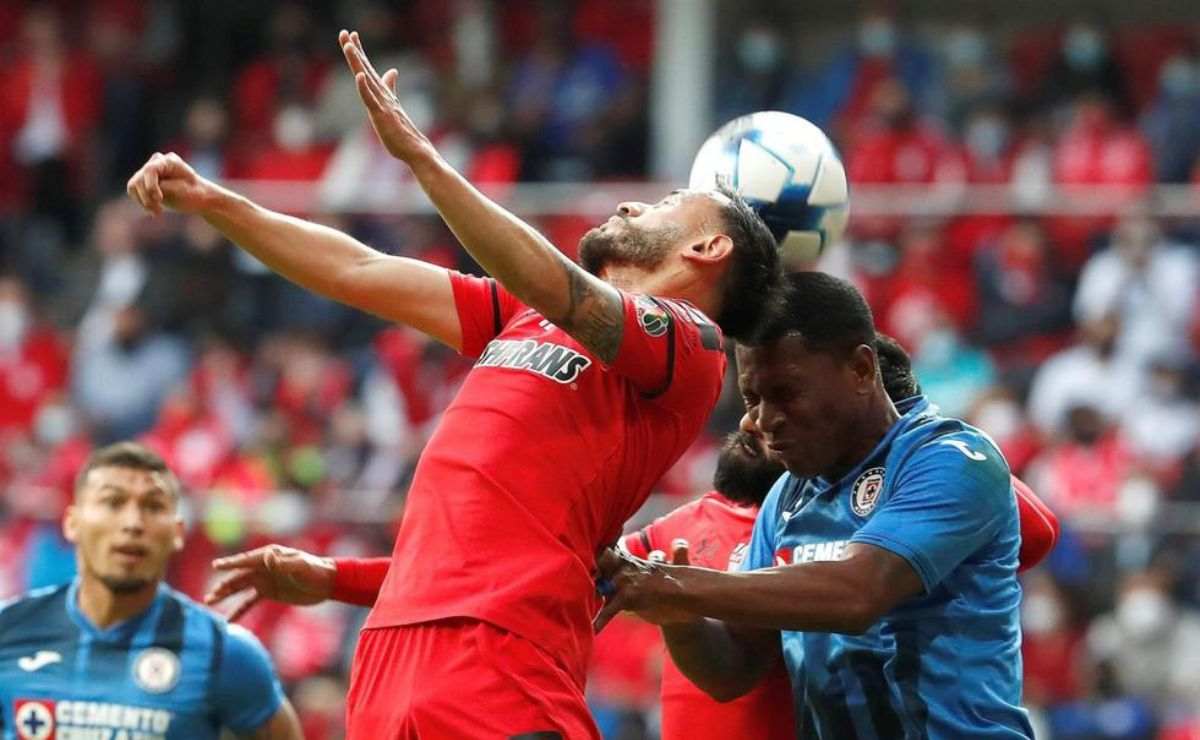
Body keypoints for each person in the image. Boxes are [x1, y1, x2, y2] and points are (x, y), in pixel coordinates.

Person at [127, 29, 781, 740]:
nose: (631, 207)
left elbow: (560, 288)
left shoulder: (690, 343)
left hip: (506, 655)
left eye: (666, 203)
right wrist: (216, 202)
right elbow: (357, 270)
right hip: (389, 658)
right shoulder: (525, 313)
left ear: (707, 247)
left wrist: (422, 159)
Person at [206, 334, 1059, 740]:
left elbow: (1031, 529)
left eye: (780, 406)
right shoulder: (690, 536)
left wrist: (921, 519)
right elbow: (497, 576)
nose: (757, 422)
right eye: (752, 406)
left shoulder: (924, 483)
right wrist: (334, 577)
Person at [594, 271, 1034, 738]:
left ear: (861, 369)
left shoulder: (949, 458)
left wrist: (679, 586)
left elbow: (858, 593)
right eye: (753, 398)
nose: (762, 420)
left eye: (786, 393)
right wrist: (679, 620)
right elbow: (734, 669)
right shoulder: (787, 496)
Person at [0, 442, 301, 739]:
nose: (133, 523)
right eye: (113, 502)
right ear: (72, 523)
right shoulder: (8, 631)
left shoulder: (223, 651)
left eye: (153, 507)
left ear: (178, 532)